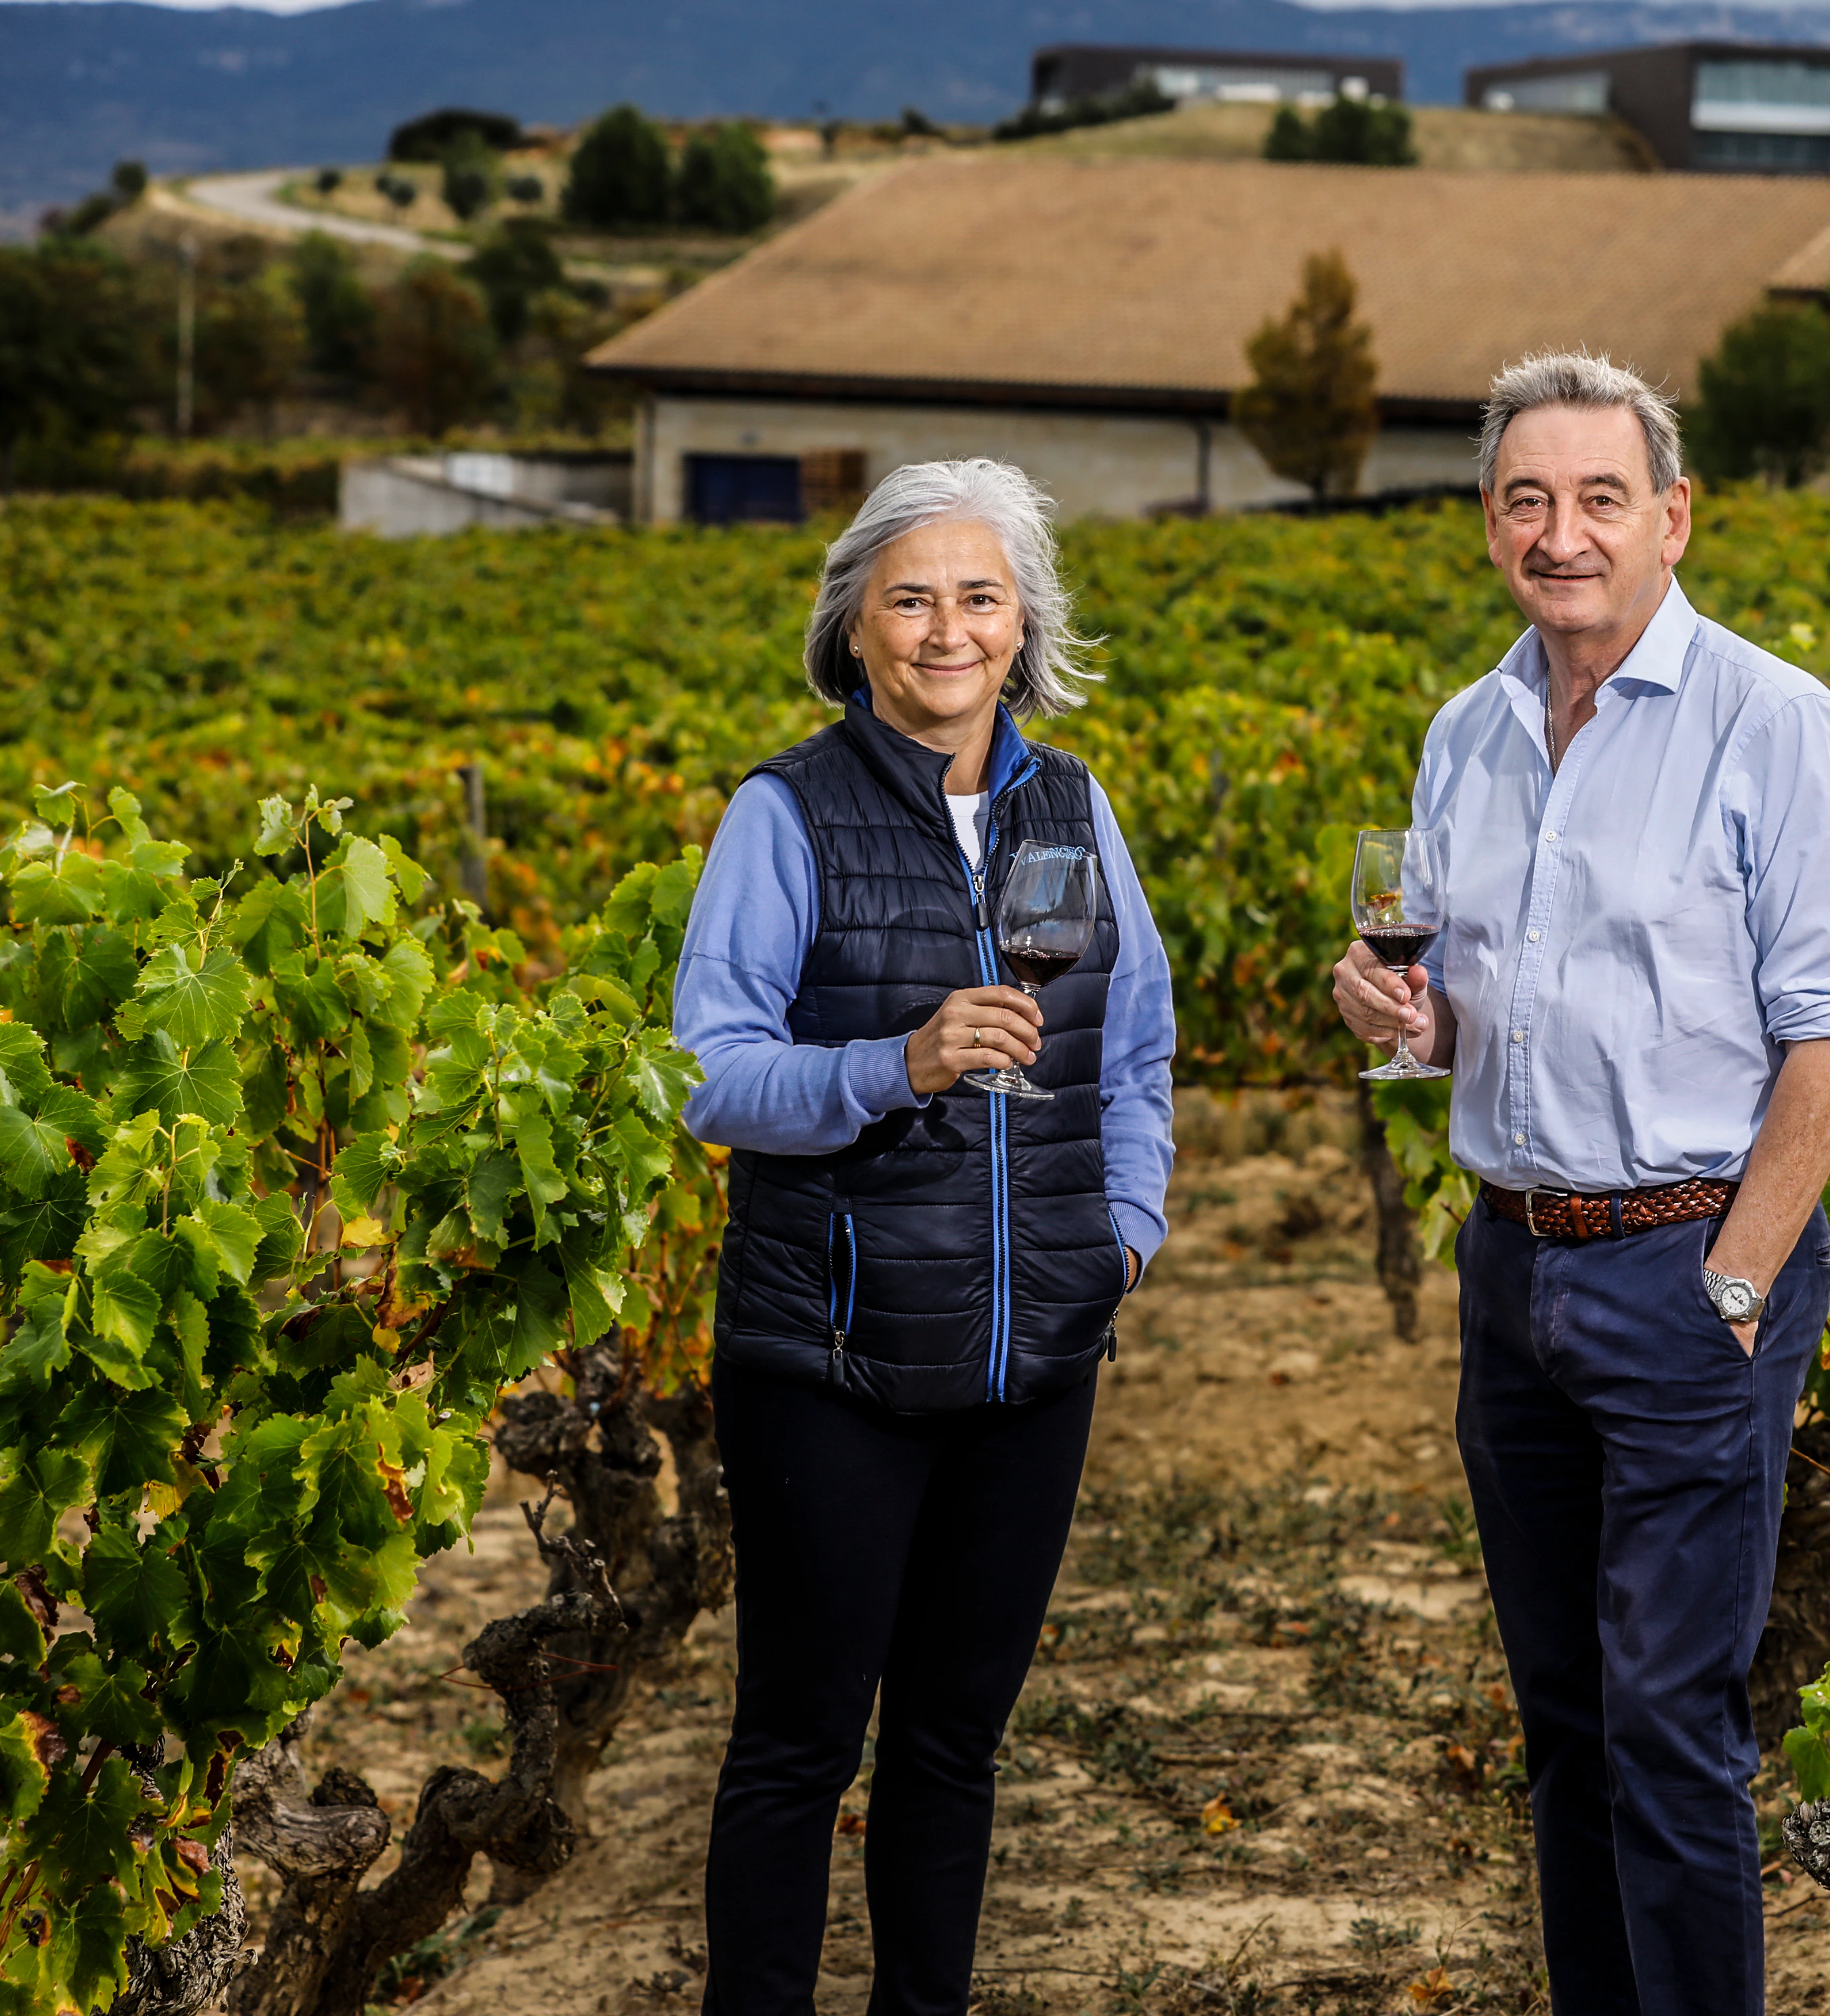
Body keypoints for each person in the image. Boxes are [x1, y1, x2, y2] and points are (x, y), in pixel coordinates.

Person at [1329, 354, 1830, 2016]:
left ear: (1673, 517)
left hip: (1688, 1271)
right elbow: (1448, 1017)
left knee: (1671, 1725)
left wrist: (1736, 1281)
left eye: (1598, 498)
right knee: (1564, 1717)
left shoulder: (1774, 724)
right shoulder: (1469, 731)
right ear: (1489, 523)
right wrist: (1390, 1015)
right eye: (1526, 498)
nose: (1560, 534)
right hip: (1514, 1272)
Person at [674, 458, 1176, 2016]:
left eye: (978, 595)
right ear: (856, 629)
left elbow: (1142, 1043)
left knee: (956, 1741)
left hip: (1036, 1355)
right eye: (910, 597)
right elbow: (709, 1075)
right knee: (800, 1743)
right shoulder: (785, 813)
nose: (945, 629)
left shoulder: (1072, 807)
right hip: (831, 1356)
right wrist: (895, 1063)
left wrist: (1125, 1233)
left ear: (1024, 626)